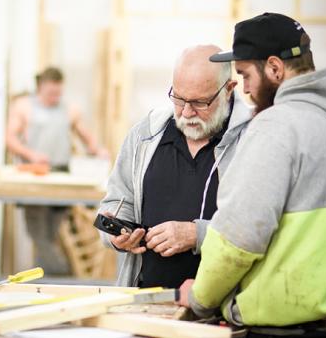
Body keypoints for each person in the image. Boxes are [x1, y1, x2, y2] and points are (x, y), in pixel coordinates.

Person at [180, 13, 326, 336]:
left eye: (246, 75)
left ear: (275, 68)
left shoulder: (276, 126)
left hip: (285, 330)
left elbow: (239, 239)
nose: (246, 90)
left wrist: (199, 298)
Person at [98, 44, 253, 288]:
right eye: (179, 99)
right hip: (146, 301)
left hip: (225, 307)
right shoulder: (145, 136)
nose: (187, 112)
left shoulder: (255, 140)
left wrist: (197, 235)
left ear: (229, 90)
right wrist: (116, 234)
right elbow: (117, 201)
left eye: (201, 102)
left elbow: (260, 228)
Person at [6, 66, 108, 275]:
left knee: (49, 234)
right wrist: (31, 154)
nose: (55, 97)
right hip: (34, 176)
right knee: (37, 233)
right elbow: (10, 139)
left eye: (58, 93)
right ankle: (62, 273)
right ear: (40, 87)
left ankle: (46, 276)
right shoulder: (24, 107)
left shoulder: (69, 109)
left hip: (61, 176)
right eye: (51, 93)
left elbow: (85, 136)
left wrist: (98, 150)